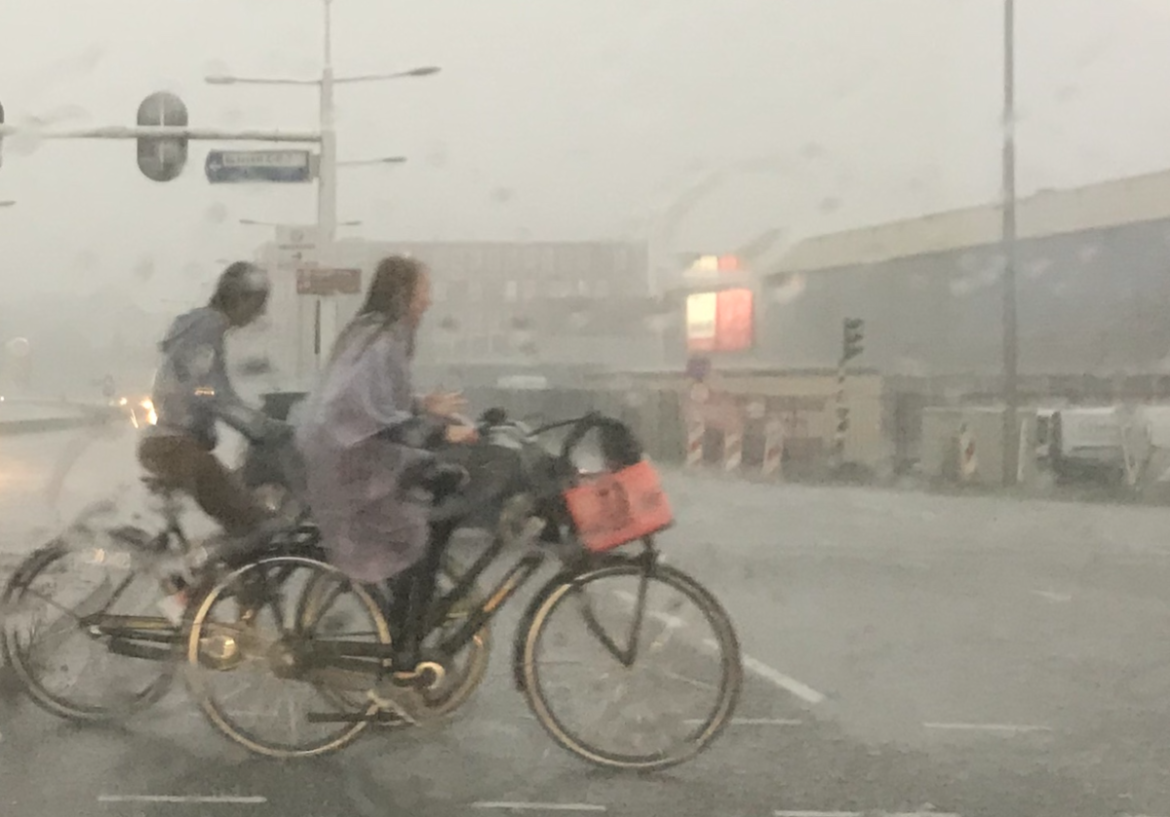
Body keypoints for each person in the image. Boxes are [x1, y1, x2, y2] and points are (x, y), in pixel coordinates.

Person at [295, 254, 475, 721]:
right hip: (354, 468)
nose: (429, 300)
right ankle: (400, 660)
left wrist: (425, 405)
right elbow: (365, 414)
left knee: (443, 492)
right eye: (423, 290)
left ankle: (405, 617)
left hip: (362, 460)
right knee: (418, 530)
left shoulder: (373, 333)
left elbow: (377, 402)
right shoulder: (380, 339)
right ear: (403, 294)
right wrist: (437, 430)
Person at [138, 261, 289, 602]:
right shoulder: (207, 328)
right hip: (176, 446)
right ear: (242, 299)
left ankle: (191, 598)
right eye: (259, 302)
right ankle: (192, 603)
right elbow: (207, 392)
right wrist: (262, 427)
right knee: (256, 523)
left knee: (240, 516)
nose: (261, 312)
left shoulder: (203, 327)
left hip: (171, 444)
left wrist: (257, 422)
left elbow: (213, 390)